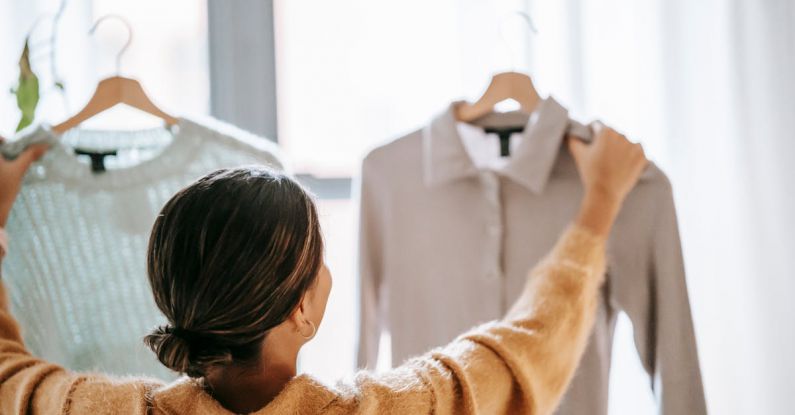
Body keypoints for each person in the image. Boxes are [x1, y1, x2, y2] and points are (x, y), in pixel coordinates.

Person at [0, 125, 647, 415]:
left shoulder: (95, 410)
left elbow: (10, 374)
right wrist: (598, 203)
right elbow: (532, 342)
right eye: (319, 261)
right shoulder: (398, 409)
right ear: (301, 309)